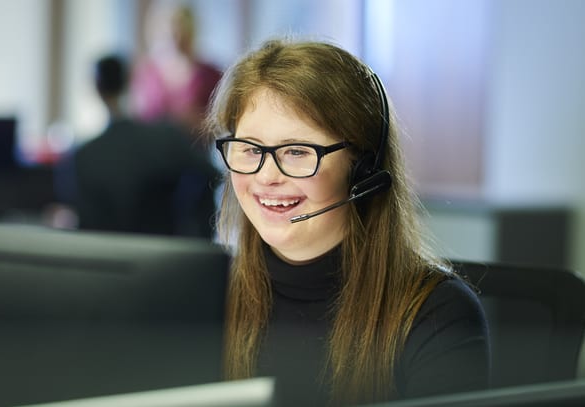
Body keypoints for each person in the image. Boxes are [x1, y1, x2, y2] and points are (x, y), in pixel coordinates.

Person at [205, 38, 491, 406]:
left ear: (362, 170)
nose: (266, 177)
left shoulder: (436, 316)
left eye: (296, 151)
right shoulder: (205, 297)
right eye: (250, 149)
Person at [55, 54, 219, 237]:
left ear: (96, 88)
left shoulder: (82, 157)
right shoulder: (166, 139)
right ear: (129, 81)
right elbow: (212, 175)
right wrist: (194, 237)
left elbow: (78, 217)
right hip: (165, 256)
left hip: (102, 258)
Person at [130, 2, 222, 144]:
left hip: (195, 156)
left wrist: (190, 121)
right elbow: (138, 119)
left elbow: (221, 124)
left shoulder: (210, 75)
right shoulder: (147, 74)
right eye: (168, 26)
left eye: (180, 26)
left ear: (191, 29)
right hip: (154, 154)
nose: (175, 33)